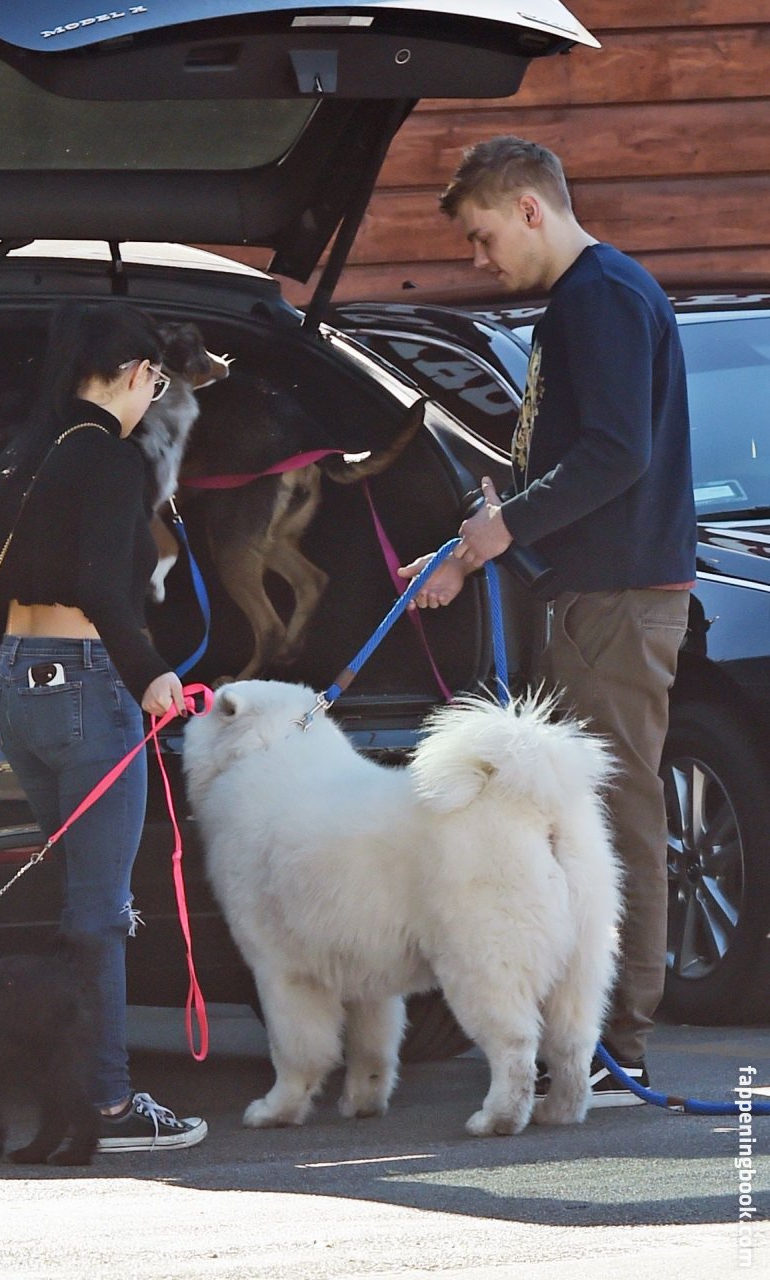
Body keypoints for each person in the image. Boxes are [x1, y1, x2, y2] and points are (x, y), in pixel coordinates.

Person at [399, 136, 696, 1105]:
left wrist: (501, 530)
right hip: (594, 595)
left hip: (616, 602)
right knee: (584, 820)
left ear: (530, 208)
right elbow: (573, 460)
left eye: (483, 236)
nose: (479, 259)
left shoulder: (599, 296)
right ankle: (592, 1039)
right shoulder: (587, 297)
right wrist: (468, 547)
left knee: (611, 819)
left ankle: (618, 1046)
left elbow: (616, 452)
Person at [0, 300, 207, 1150]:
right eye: (156, 384)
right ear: (138, 374)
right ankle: (106, 1104)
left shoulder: (20, 453)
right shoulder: (108, 456)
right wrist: (152, 673)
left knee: (73, 897)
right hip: (87, 684)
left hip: (17, 685)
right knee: (100, 911)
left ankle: (62, 1085)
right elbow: (104, 586)